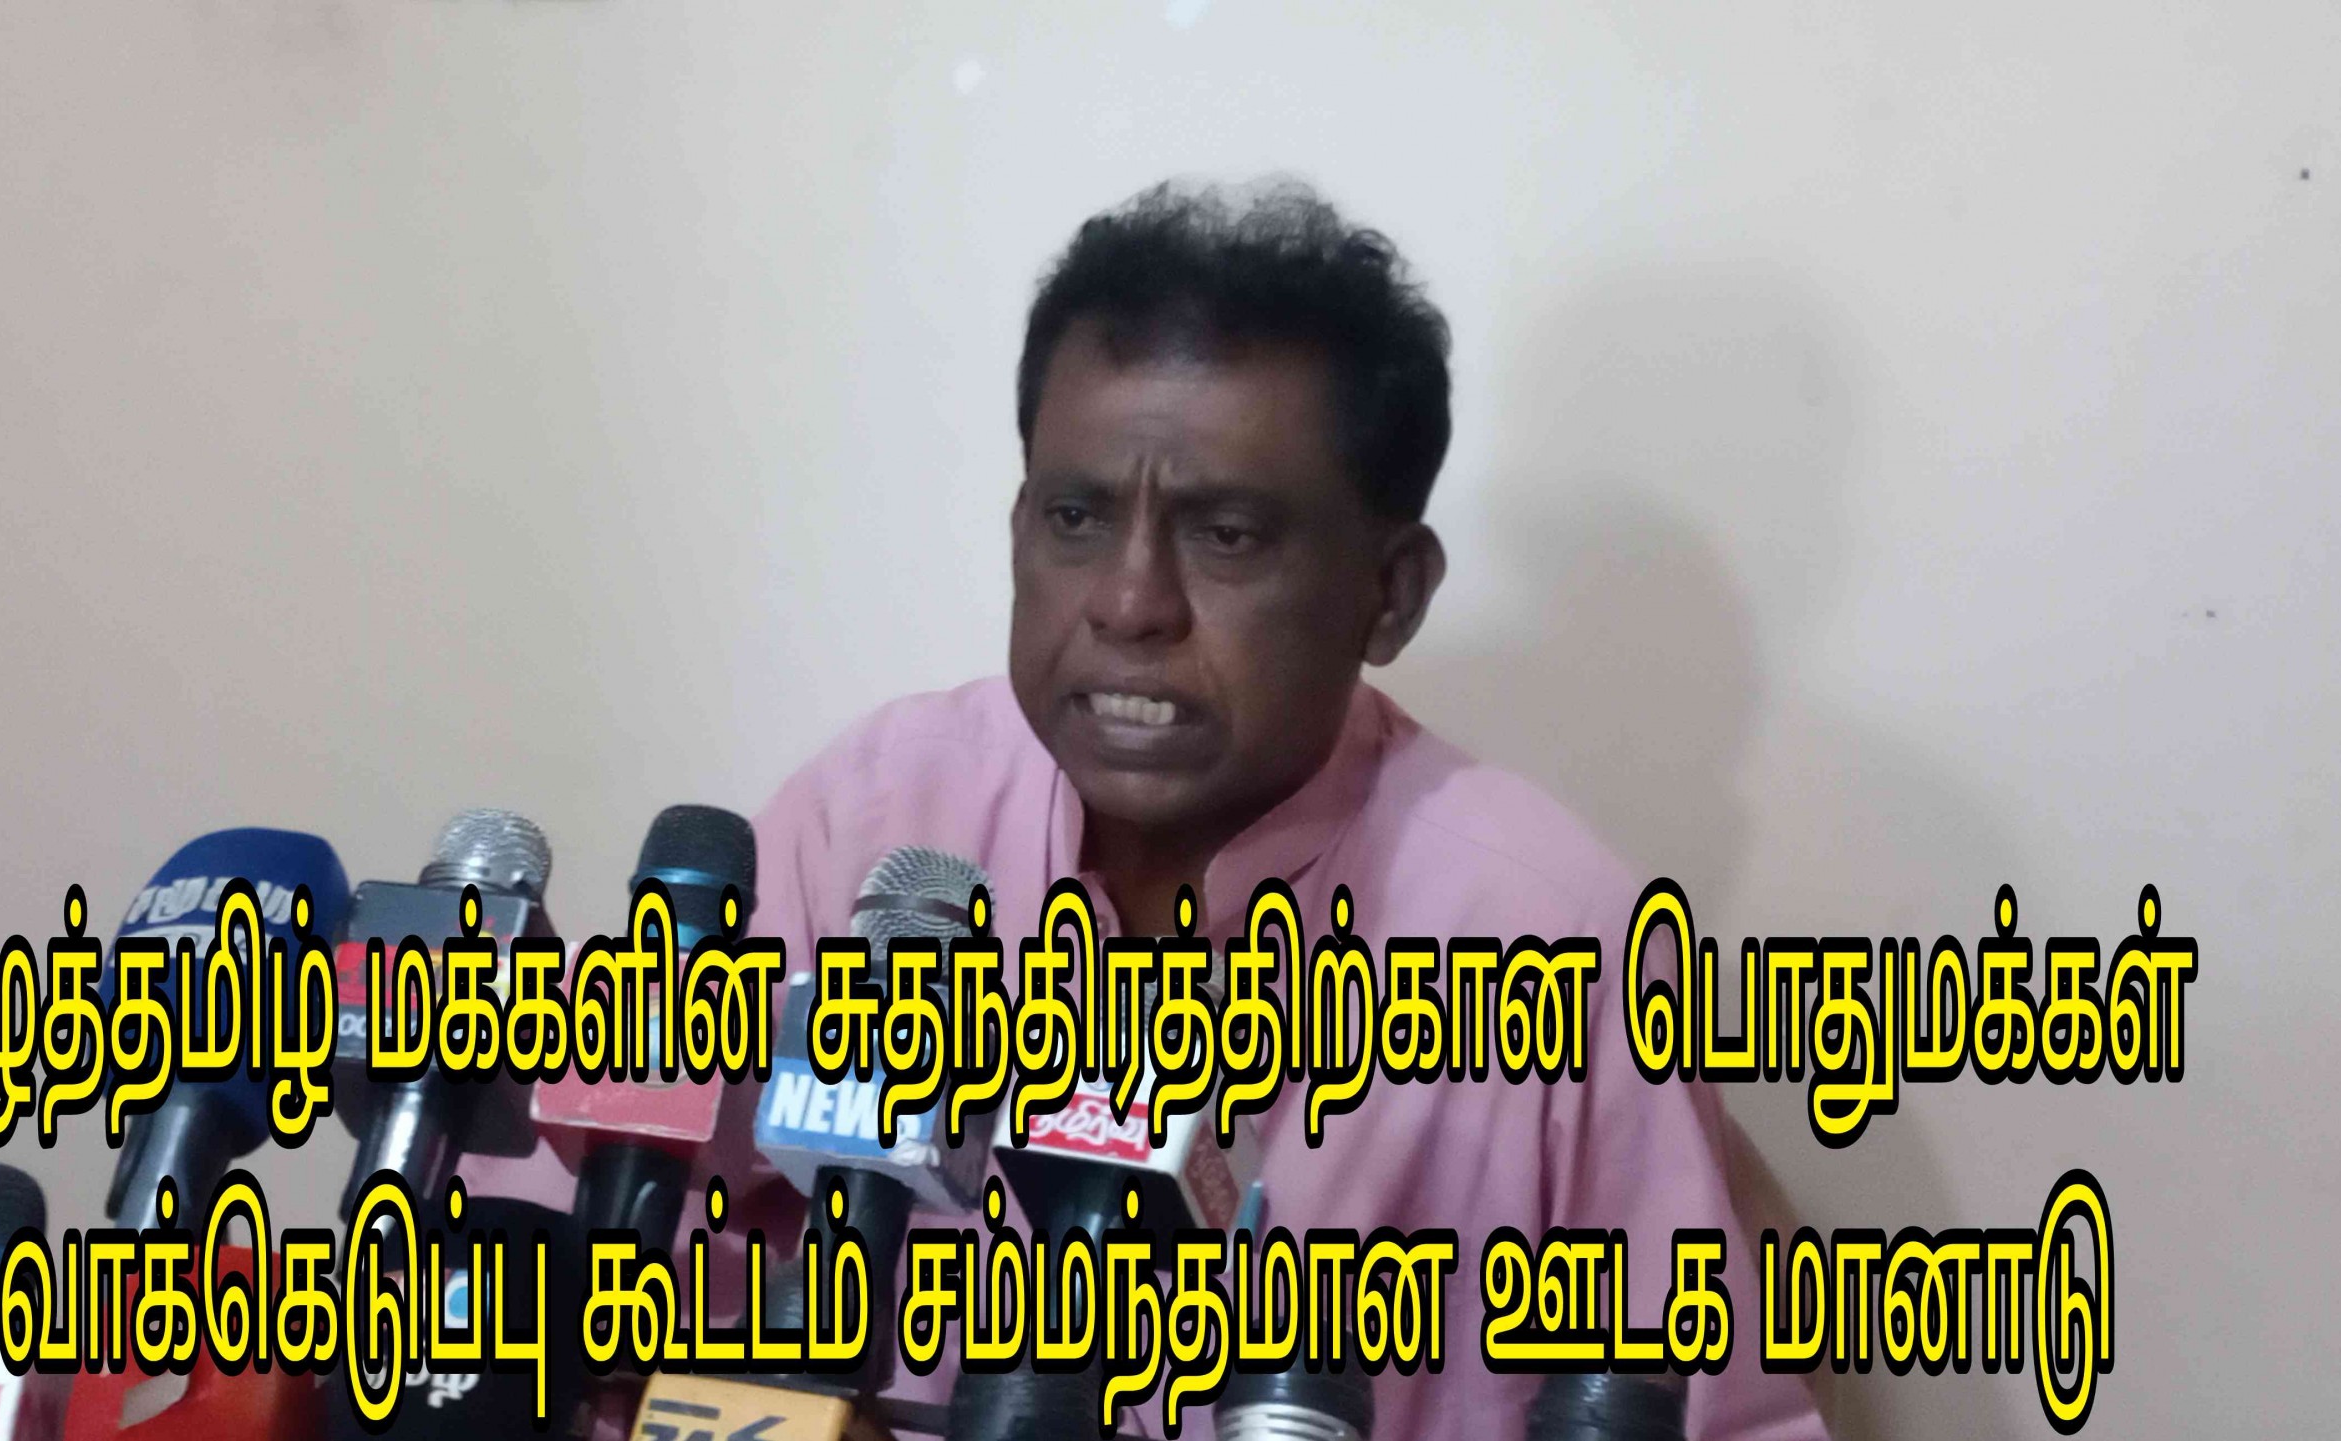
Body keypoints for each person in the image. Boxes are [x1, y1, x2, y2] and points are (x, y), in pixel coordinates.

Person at [745, 179, 1831, 1440]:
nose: (1129, 605)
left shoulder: (1553, 943)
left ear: (1391, 593)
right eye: (1076, 518)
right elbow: (587, 1273)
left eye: (1226, 534)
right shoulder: (878, 825)